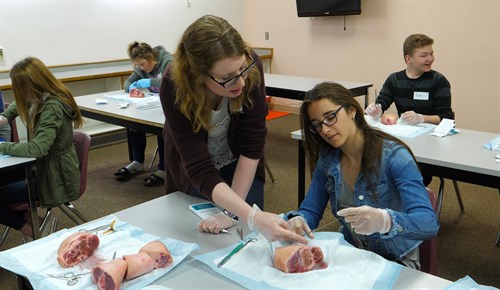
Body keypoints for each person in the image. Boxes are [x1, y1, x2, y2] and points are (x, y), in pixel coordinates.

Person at [159, 15, 306, 244]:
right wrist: (253, 216)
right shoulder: (173, 85)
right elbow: (199, 167)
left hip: (240, 162)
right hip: (196, 170)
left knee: (247, 240)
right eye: (227, 78)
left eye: (241, 69)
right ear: (198, 75)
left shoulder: (250, 65)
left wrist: (243, 214)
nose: (241, 83)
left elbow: (252, 142)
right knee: (203, 244)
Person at [286, 82, 439, 269]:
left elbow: (429, 222)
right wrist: (299, 220)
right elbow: (310, 211)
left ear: (352, 110)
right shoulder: (328, 159)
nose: (325, 130)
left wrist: (386, 221)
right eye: (317, 125)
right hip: (353, 256)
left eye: (330, 117)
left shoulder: (394, 157)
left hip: (396, 262)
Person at [0, 57, 83, 237]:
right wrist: (5, 117)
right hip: (43, 167)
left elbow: (37, 149)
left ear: (31, 85)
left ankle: (28, 228)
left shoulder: (52, 107)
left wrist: (3, 147)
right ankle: (32, 222)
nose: (19, 93)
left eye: (19, 87)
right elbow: (21, 103)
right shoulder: (41, 96)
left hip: (55, 176)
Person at [365, 33, 453, 184]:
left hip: (430, 143)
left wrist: (421, 118)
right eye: (424, 55)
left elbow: (447, 118)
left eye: (431, 54)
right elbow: (381, 103)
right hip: (406, 140)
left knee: (409, 176)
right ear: (408, 59)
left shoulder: (438, 81)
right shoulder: (395, 79)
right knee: (378, 167)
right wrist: (376, 111)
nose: (430, 59)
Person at [114, 41, 174, 186]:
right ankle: (137, 161)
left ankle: (163, 169)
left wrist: (151, 82)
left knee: (162, 128)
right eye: (138, 65)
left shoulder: (168, 62)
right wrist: (131, 87)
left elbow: (173, 81)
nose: (141, 68)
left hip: (171, 104)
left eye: (142, 64)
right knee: (134, 123)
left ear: (151, 57)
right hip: (153, 104)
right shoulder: (140, 69)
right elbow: (128, 82)